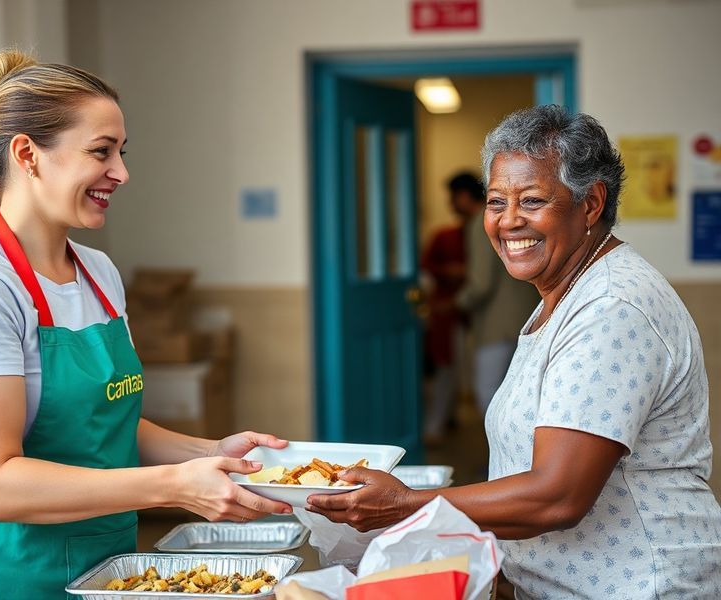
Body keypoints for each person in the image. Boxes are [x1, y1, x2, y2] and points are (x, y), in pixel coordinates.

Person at [307, 105, 721, 598]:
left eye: (531, 200)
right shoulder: (565, 294)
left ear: (590, 204)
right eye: (496, 201)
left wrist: (405, 504)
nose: (508, 222)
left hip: (638, 585)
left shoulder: (612, 307)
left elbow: (557, 495)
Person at [0, 50, 291, 600]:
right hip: (13, 581)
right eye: (101, 151)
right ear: (28, 154)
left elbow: (100, 426)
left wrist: (213, 454)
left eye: (120, 151)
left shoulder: (98, 272)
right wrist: (173, 486)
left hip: (109, 573)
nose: (120, 172)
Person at [449, 172, 539, 417]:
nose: (451, 205)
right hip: (527, 317)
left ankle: (508, 455)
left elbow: (481, 283)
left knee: (489, 396)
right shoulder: (508, 218)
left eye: (453, 198)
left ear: (464, 196)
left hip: (496, 326)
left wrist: (455, 304)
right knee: (521, 397)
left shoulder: (482, 222)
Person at [420, 189, 465, 443]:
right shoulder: (444, 236)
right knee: (444, 369)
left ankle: (445, 419)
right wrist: (450, 271)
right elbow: (425, 266)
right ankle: (435, 426)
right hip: (445, 312)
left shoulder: (483, 234)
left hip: (475, 315)